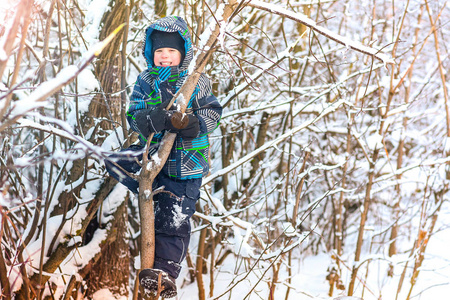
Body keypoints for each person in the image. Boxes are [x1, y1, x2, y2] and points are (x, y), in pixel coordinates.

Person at [105, 16, 222, 298]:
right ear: (151, 54)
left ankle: (164, 274)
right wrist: (155, 119)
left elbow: (212, 112)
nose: (165, 56)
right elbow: (134, 116)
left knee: (173, 220)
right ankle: (148, 189)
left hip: (185, 164)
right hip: (152, 157)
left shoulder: (195, 79)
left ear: (182, 53)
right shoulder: (146, 80)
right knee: (114, 160)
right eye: (159, 52)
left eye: (171, 52)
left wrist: (192, 124)